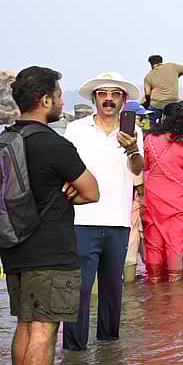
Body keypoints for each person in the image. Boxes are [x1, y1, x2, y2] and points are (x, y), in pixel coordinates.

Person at [1, 67, 99, 365]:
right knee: (44, 329)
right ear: (44, 100)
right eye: (57, 96)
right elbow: (92, 192)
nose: (60, 102)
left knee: (25, 324)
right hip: (51, 252)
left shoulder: (6, 140)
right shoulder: (54, 145)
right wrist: (69, 189)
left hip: (13, 247)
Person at [61, 72, 144, 352]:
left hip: (118, 221)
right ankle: (74, 351)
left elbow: (138, 170)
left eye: (114, 94)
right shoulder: (76, 129)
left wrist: (133, 149)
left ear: (123, 99)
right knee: (79, 290)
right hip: (82, 219)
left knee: (112, 291)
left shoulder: (133, 131)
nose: (108, 99)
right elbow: (65, 168)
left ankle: (109, 349)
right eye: (103, 94)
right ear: (95, 99)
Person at [142, 102, 183, 283]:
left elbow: (143, 167)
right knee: (175, 243)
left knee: (153, 242)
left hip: (151, 196)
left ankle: (153, 284)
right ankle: (176, 291)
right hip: (178, 199)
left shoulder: (149, 139)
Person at [122, 100, 151, 284]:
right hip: (133, 195)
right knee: (134, 239)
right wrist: (141, 193)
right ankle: (130, 285)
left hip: (130, 195)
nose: (143, 122)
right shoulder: (135, 135)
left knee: (138, 237)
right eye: (140, 118)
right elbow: (136, 170)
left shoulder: (136, 135)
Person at [142, 56, 183, 124]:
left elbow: (147, 94)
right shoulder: (171, 66)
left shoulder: (149, 76)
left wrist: (147, 103)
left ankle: (152, 133)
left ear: (151, 64)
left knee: (151, 120)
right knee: (173, 122)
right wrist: (177, 76)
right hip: (172, 103)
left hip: (156, 104)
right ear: (161, 61)